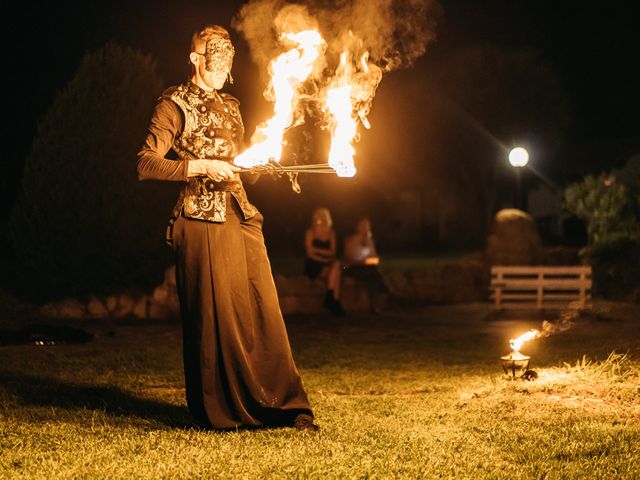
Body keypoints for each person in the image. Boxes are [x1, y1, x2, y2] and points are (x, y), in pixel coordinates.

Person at [136, 25, 317, 431]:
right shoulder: (173, 103)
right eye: (212, 57)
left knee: (262, 307)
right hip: (199, 219)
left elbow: (240, 168)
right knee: (216, 317)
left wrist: (262, 166)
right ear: (195, 58)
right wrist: (199, 166)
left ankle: (284, 405)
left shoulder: (232, 106)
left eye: (226, 58)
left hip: (241, 214)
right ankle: (225, 411)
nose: (220, 66)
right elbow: (146, 163)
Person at [342, 217, 389, 312]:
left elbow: (374, 256)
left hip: (366, 268)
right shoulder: (352, 240)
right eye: (363, 226)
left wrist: (372, 260)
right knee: (373, 272)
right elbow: (349, 259)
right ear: (358, 227)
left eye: (367, 226)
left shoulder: (369, 240)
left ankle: (374, 306)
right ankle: (386, 291)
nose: (365, 228)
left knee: (372, 276)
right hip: (352, 268)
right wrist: (363, 261)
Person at [304, 208, 344, 316]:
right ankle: (335, 302)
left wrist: (316, 250)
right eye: (319, 216)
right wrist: (324, 256)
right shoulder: (310, 232)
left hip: (327, 262)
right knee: (337, 273)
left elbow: (332, 252)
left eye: (323, 216)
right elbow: (309, 253)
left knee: (337, 265)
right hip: (313, 264)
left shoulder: (331, 233)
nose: (321, 219)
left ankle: (331, 298)